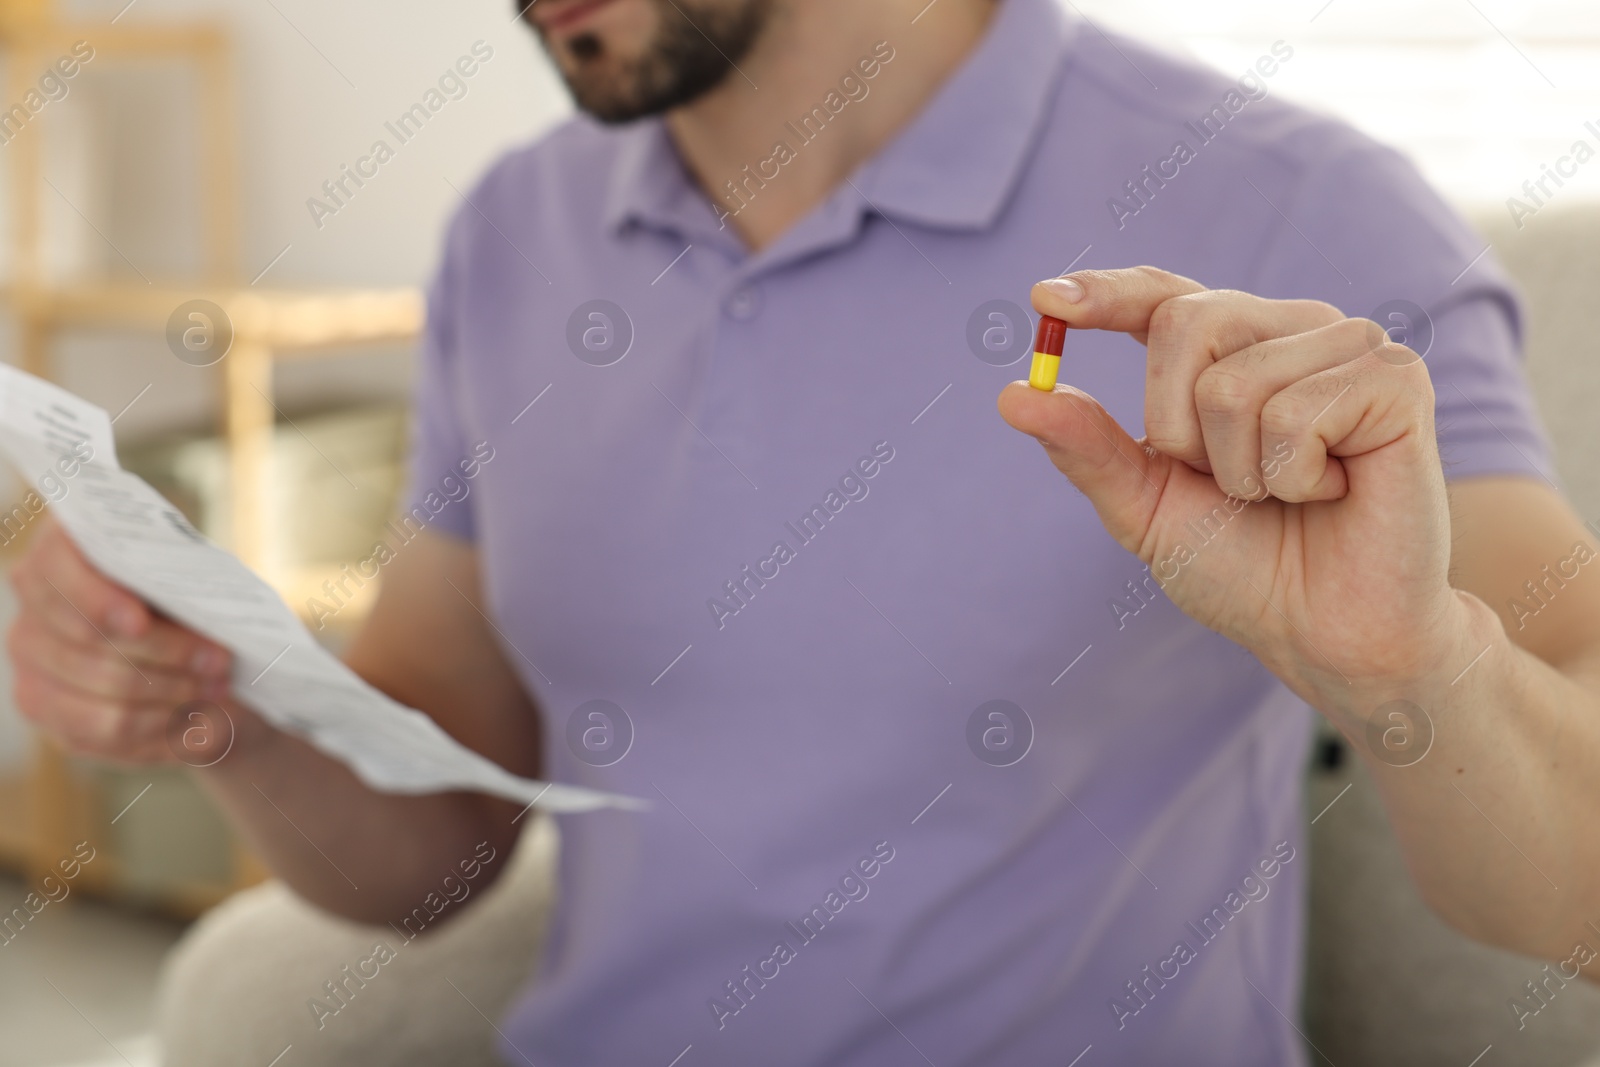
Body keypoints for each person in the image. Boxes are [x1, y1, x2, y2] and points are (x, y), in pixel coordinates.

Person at [10, 0, 1600, 1063]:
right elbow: (438, 856)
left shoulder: (1290, 210)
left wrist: (1423, 668)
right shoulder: (518, 231)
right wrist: (231, 708)